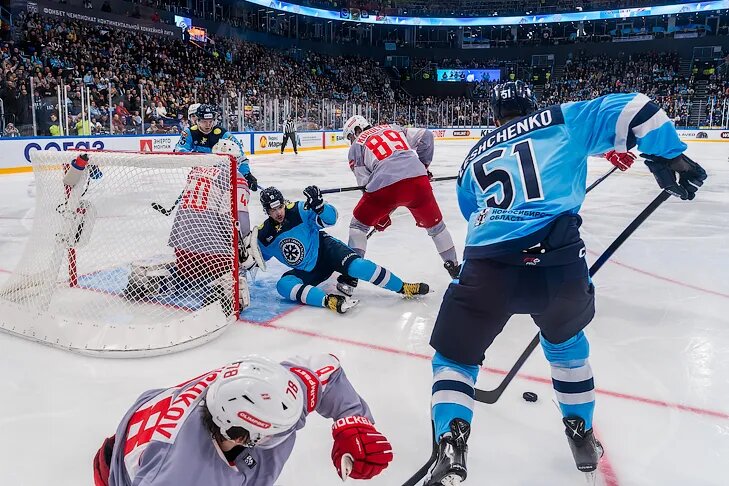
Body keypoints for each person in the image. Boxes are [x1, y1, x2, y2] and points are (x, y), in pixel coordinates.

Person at [424, 81, 707, 485]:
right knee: (566, 347)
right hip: (559, 263)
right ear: (532, 103)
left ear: (495, 114)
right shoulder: (562, 118)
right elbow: (637, 108)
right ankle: (581, 434)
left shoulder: (473, 156)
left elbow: (474, 213)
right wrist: (668, 156)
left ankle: (451, 443)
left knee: (455, 358)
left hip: (488, 268)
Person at [92, 355, 393, 486]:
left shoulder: (259, 392)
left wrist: (353, 422)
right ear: (239, 438)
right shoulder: (181, 476)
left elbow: (323, 372)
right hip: (130, 472)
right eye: (276, 432)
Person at [246, 185, 429, 314]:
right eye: (273, 210)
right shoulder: (264, 234)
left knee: (359, 267)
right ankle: (329, 301)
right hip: (309, 270)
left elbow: (331, 219)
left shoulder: (299, 210)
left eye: (280, 207)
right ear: (266, 211)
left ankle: (403, 287)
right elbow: (255, 261)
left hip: (326, 251)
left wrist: (320, 207)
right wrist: (246, 256)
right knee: (283, 286)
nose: (278, 212)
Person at [336, 115, 459, 297]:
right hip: (418, 181)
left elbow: (366, 186)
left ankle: (350, 277)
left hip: (384, 187)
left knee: (358, 226)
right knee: (436, 227)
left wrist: (381, 216)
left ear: (357, 129)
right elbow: (426, 136)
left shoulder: (356, 146)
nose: (350, 140)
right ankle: (455, 269)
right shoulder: (393, 127)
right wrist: (423, 167)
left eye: (349, 136)